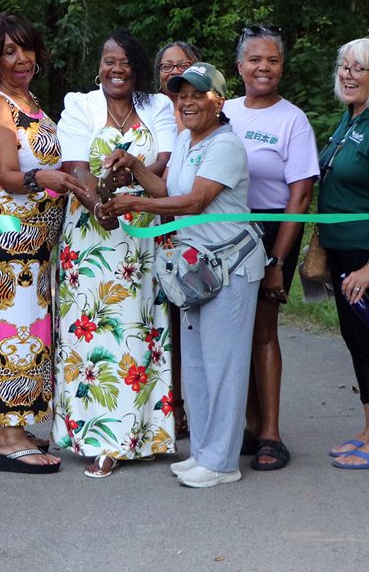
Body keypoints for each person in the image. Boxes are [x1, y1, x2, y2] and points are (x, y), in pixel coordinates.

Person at [100, 61, 265, 488]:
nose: (187, 101)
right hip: (195, 270)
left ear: (219, 100)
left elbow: (193, 202)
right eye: (181, 94)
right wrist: (137, 168)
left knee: (223, 363)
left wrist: (134, 206)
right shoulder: (188, 140)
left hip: (230, 266)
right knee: (195, 364)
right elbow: (169, 192)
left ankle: (223, 462)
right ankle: (206, 453)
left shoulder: (225, 145)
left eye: (198, 93)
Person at [52, 29, 178, 478]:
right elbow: (76, 166)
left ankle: (145, 434)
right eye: (108, 60)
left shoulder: (158, 106)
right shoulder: (80, 105)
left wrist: (134, 181)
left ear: (137, 67)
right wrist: (99, 206)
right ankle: (99, 439)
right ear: (98, 67)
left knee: (139, 330)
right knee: (93, 335)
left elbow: (164, 162)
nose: (116, 69)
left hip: (141, 235)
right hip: (90, 239)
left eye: (124, 61)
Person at [0, 12, 87, 473]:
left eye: (25, 48)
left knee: (12, 325)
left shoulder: (27, 98)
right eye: (8, 51)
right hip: (8, 232)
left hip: (33, 238)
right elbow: (7, 174)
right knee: (16, 327)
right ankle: (10, 440)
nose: (20, 59)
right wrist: (47, 176)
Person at [223, 23, 319, 472]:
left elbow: (300, 196)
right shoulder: (220, 111)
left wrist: (278, 260)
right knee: (230, 332)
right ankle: (244, 423)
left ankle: (271, 435)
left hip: (269, 229)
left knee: (262, 330)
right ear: (239, 65)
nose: (264, 67)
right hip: (221, 232)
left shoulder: (292, 120)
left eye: (273, 60)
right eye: (255, 59)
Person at [316, 38, 369, 470]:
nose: (348, 74)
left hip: (368, 255)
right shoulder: (349, 119)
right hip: (341, 252)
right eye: (344, 66)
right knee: (355, 339)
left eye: (359, 69)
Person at [154, 39, 202, 437]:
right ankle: (168, 404)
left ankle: (190, 406)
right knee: (162, 320)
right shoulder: (151, 110)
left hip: (192, 225)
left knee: (190, 318)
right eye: (166, 66)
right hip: (156, 227)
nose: (172, 71)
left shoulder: (200, 112)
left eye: (181, 64)